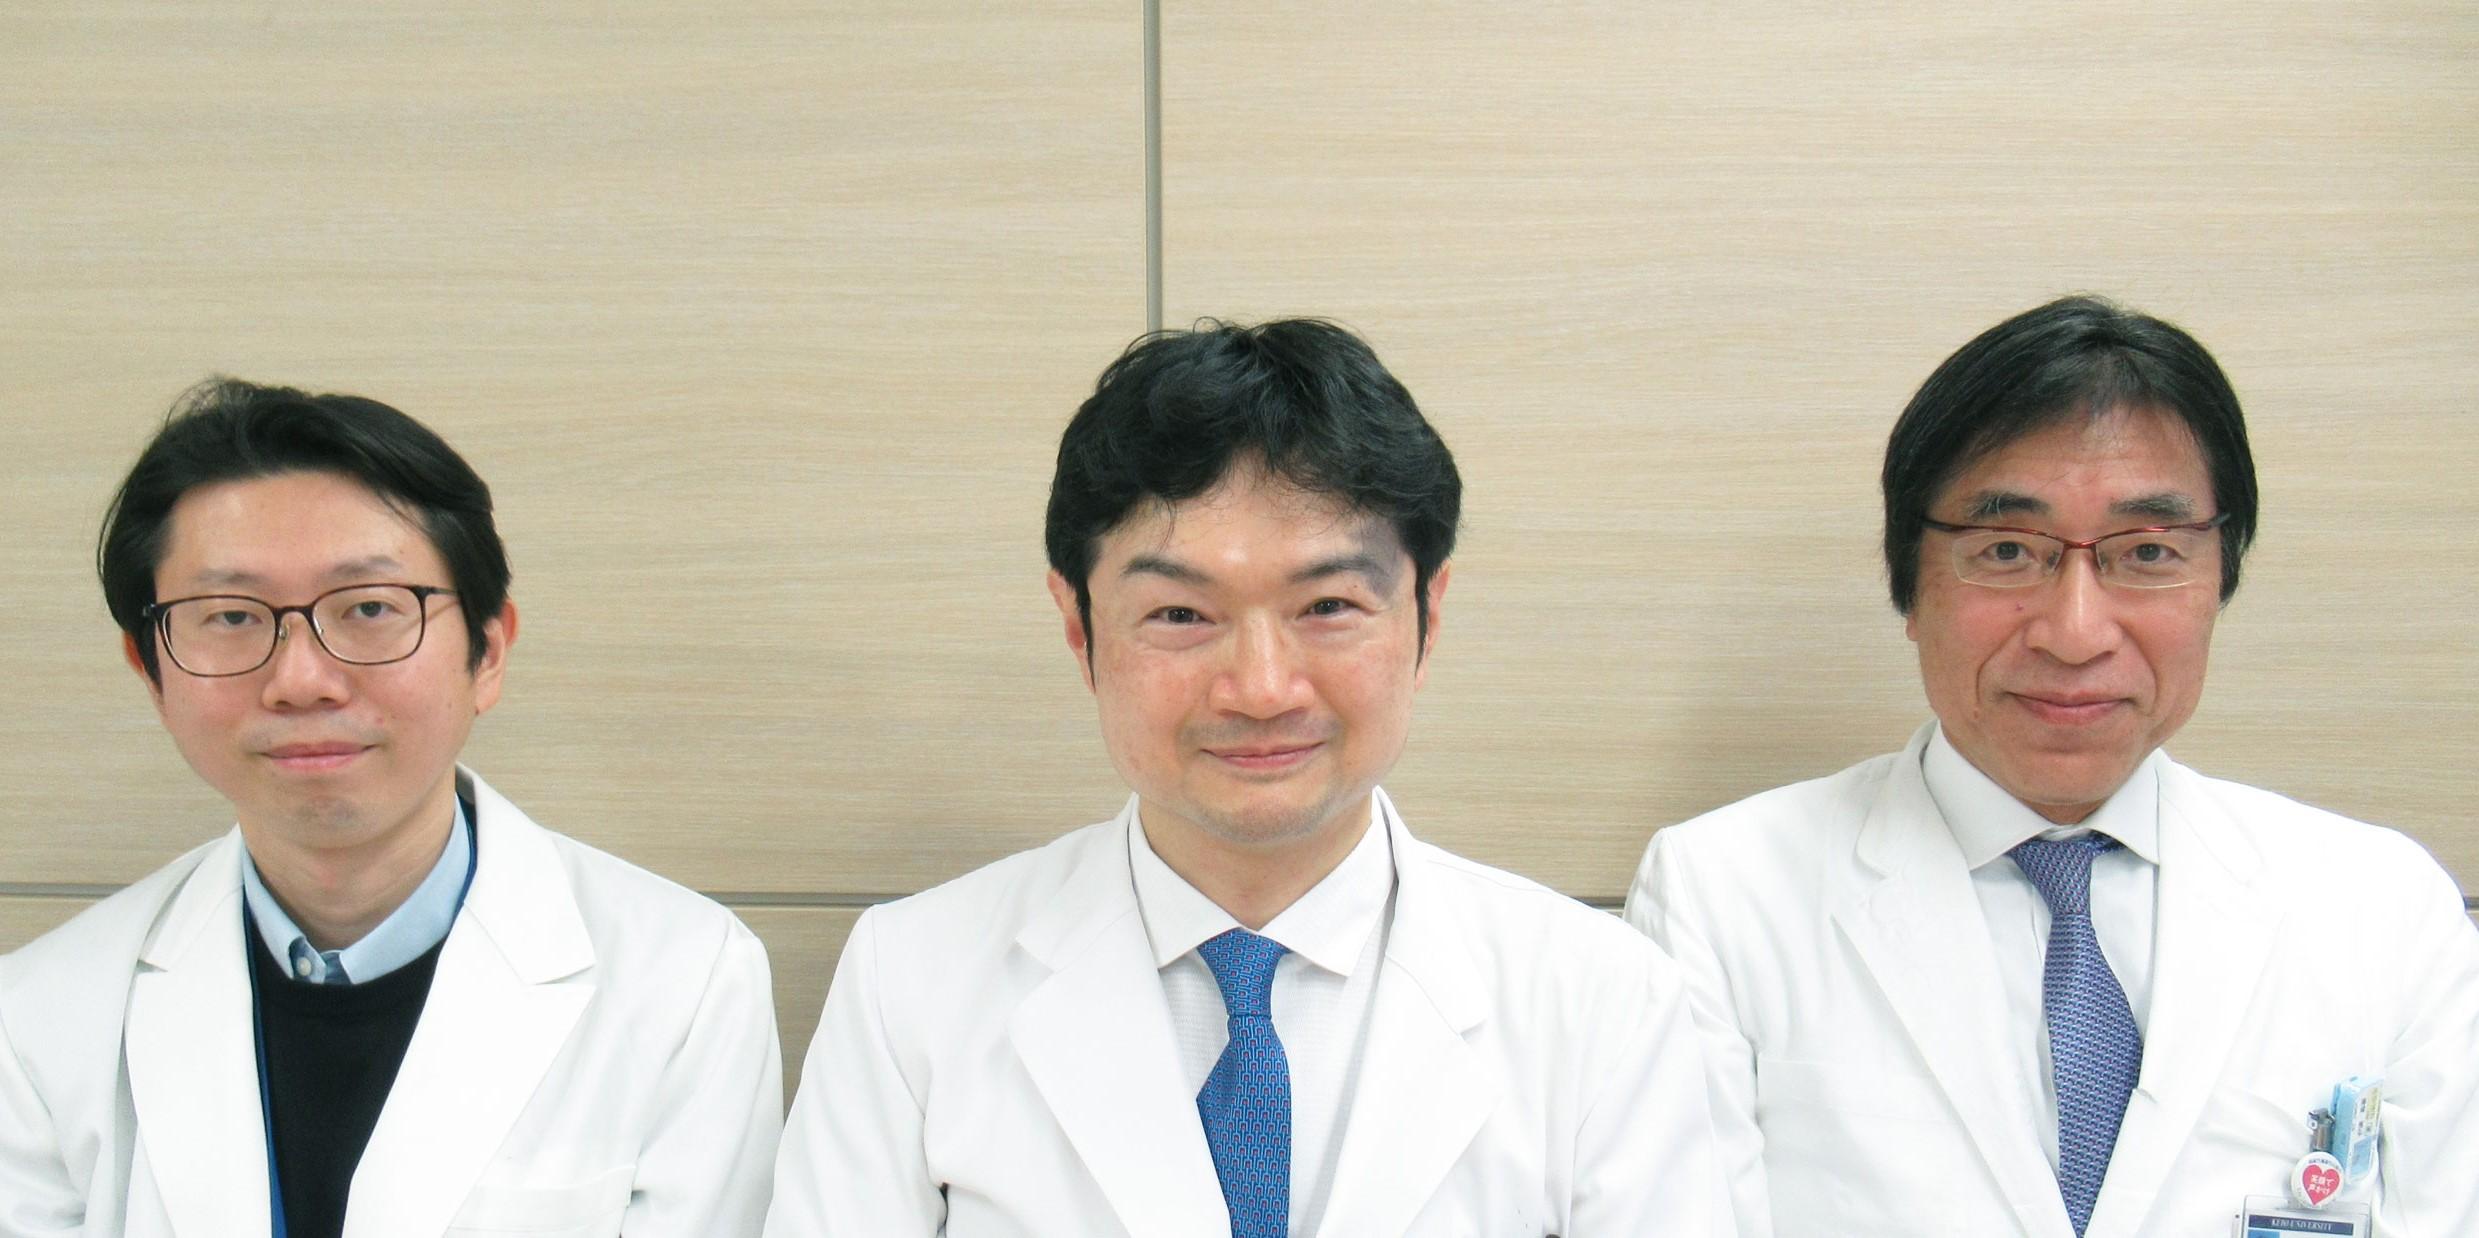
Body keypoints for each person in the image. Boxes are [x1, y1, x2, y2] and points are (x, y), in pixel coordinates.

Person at [767, 319, 1727, 1236]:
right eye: (1181, 616)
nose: (1262, 689)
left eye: (1328, 606)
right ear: (1078, 628)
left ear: (1427, 616)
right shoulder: (912, 981)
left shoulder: (1598, 997)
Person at [1625, 296, 2479, 1237]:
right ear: (1908, 586)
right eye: (2006, 550)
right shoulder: (1722, 895)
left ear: (2218, 581)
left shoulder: (2384, 911)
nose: (2074, 633)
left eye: (2146, 551)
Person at [0, 380, 782, 1237]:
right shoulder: (39, 1018)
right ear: (151, 673)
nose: (301, 680)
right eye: (229, 616)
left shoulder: (684, 982)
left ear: (488, 651)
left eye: (369, 608)